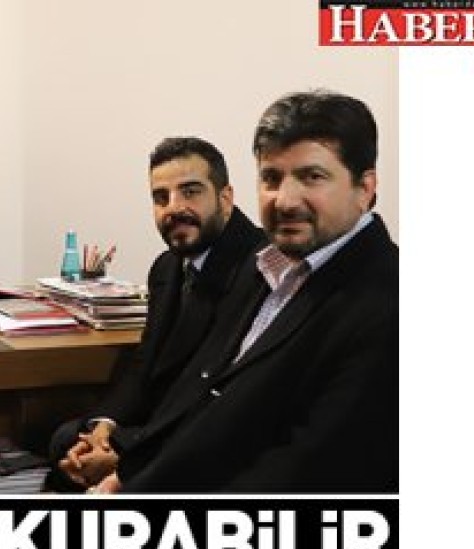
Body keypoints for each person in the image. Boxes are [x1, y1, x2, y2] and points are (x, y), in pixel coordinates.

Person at [60, 90, 398, 493]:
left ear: (365, 188)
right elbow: (202, 402)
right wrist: (127, 477)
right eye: (271, 178)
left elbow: (309, 466)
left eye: (312, 177)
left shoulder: (389, 300)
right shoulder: (269, 269)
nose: (285, 200)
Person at [45, 137, 266, 491]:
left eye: (190, 192)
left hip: (200, 437)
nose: (174, 208)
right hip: (154, 425)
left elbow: (218, 398)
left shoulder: (261, 271)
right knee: (66, 442)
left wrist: (128, 458)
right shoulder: (167, 267)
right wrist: (103, 428)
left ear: (225, 198)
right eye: (161, 197)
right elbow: (144, 367)